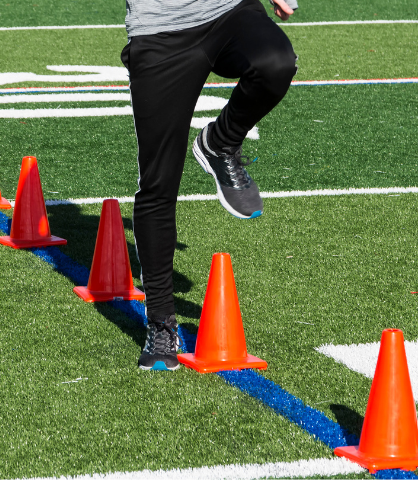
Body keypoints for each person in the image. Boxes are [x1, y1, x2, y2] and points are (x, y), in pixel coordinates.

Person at [121, 0, 298, 371]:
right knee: (158, 182)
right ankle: (161, 324)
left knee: (276, 62)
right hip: (159, 28)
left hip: (228, 9)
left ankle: (221, 141)